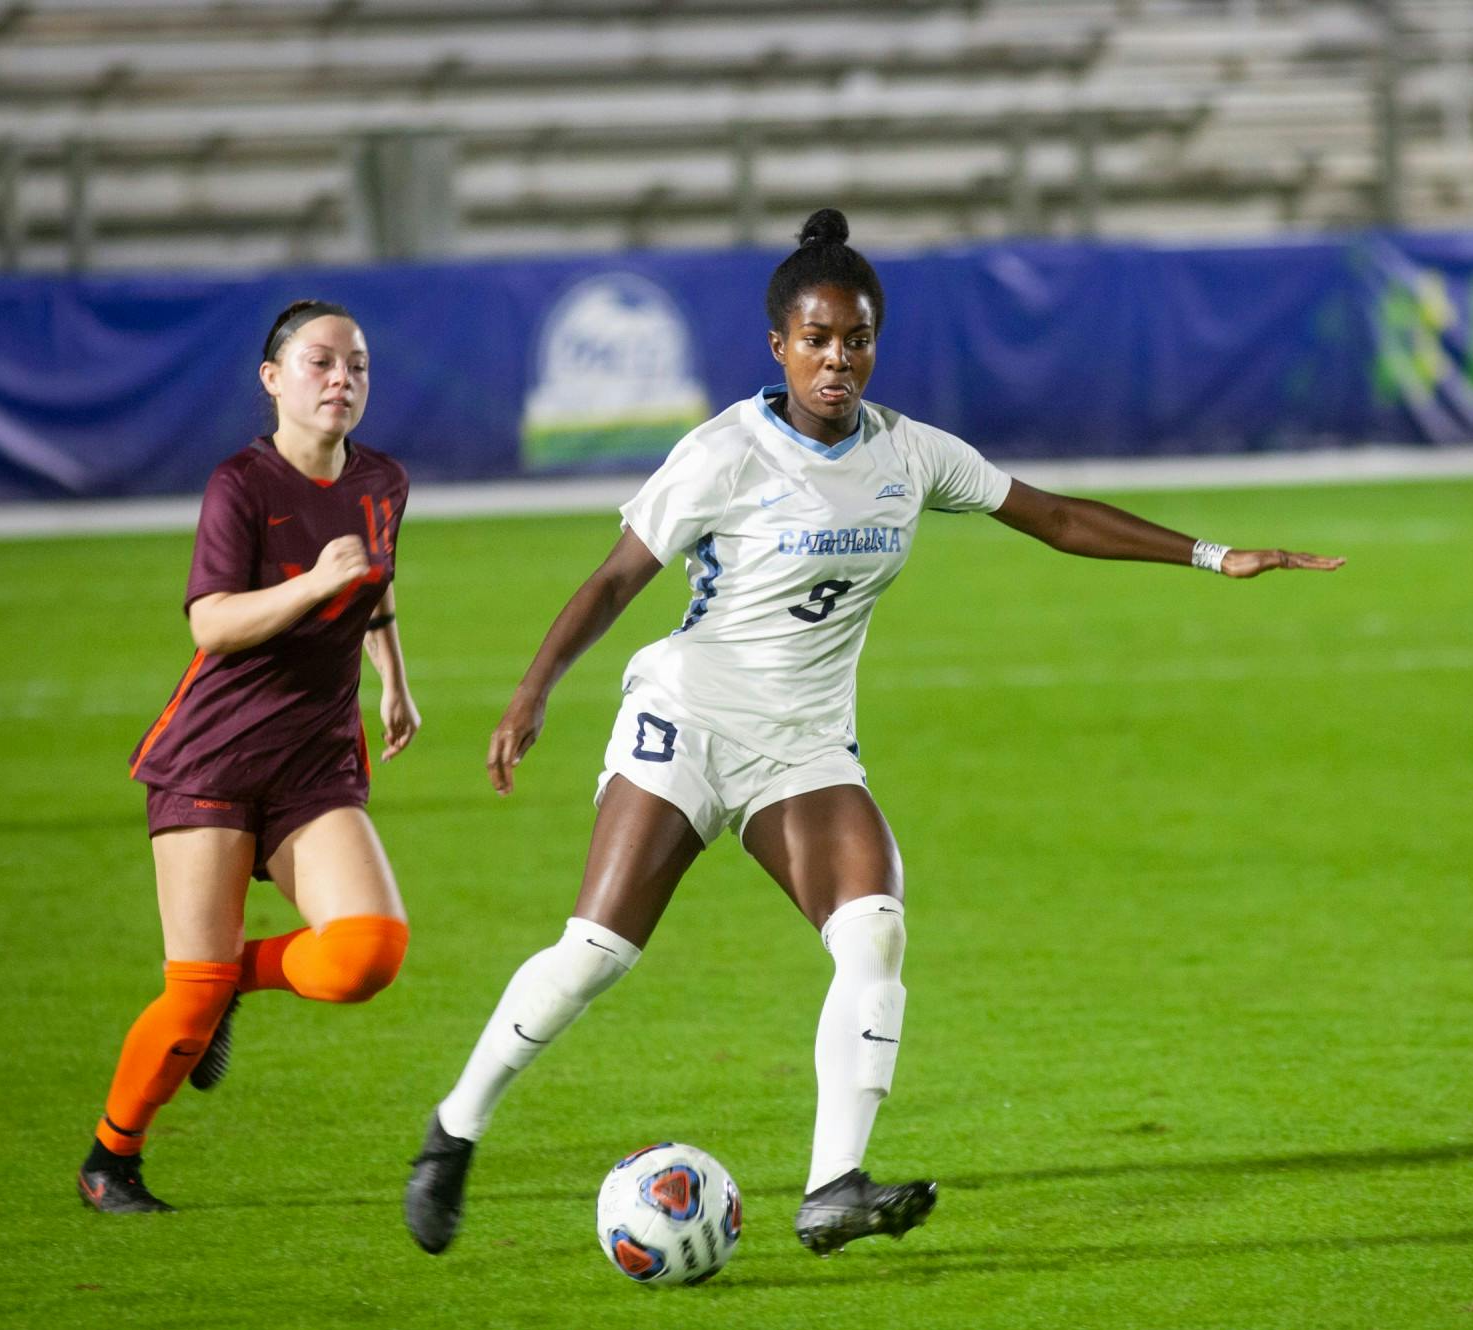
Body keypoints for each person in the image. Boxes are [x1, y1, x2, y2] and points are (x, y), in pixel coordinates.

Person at [403, 208, 1342, 1263]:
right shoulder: (723, 451)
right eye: (814, 339)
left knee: (874, 929)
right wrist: (533, 691)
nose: (836, 358)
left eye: (854, 339)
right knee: (595, 954)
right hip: (689, 717)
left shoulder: (908, 453)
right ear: (778, 347)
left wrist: (1216, 556)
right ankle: (455, 1128)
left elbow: (1054, 518)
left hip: (802, 743)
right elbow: (620, 573)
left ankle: (831, 1186)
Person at [78, 299, 420, 1214]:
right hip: (214, 757)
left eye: (357, 364)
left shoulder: (385, 478)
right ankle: (112, 1159)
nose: (341, 379)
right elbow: (212, 622)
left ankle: (237, 976)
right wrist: (313, 584)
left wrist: (394, 676)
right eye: (319, 363)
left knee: (366, 954)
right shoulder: (242, 484)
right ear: (273, 379)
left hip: (314, 758)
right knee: (187, 998)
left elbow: (376, 582)